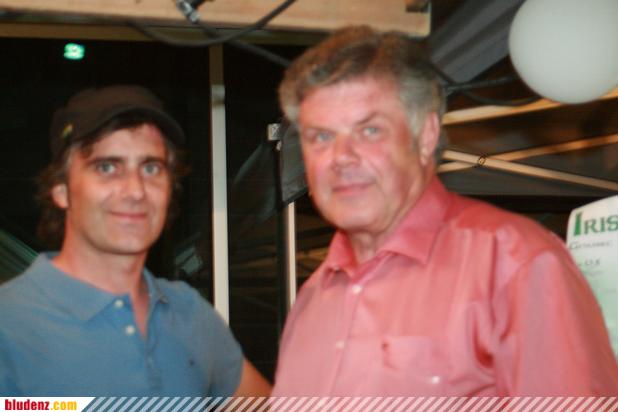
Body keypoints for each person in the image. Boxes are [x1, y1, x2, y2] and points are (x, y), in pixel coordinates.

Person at [272, 26, 618, 396]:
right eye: (321, 137)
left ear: (426, 136)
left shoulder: (514, 262)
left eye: (369, 130)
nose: (341, 157)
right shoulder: (312, 298)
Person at [0, 85, 272, 396]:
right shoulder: (10, 323)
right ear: (61, 190)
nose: (135, 190)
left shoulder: (189, 313)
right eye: (107, 167)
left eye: (151, 168)